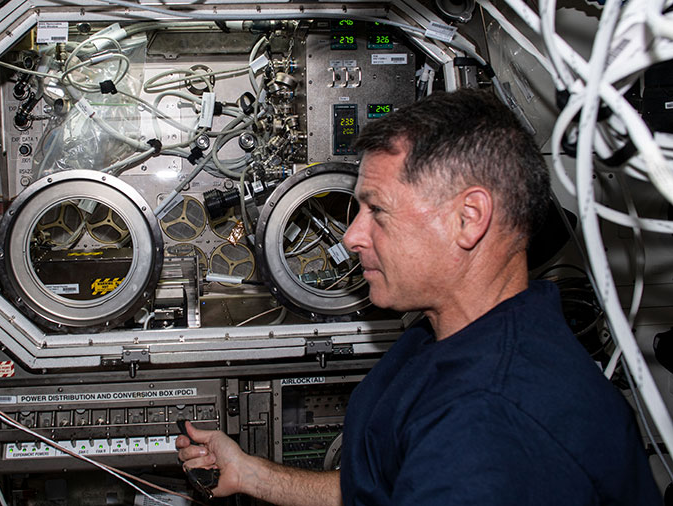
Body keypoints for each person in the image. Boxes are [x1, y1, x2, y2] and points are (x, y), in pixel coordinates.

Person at [177, 88, 662, 505]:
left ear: (468, 219)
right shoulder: (454, 339)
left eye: (377, 211)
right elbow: (381, 487)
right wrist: (251, 474)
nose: (352, 236)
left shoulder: (493, 425)